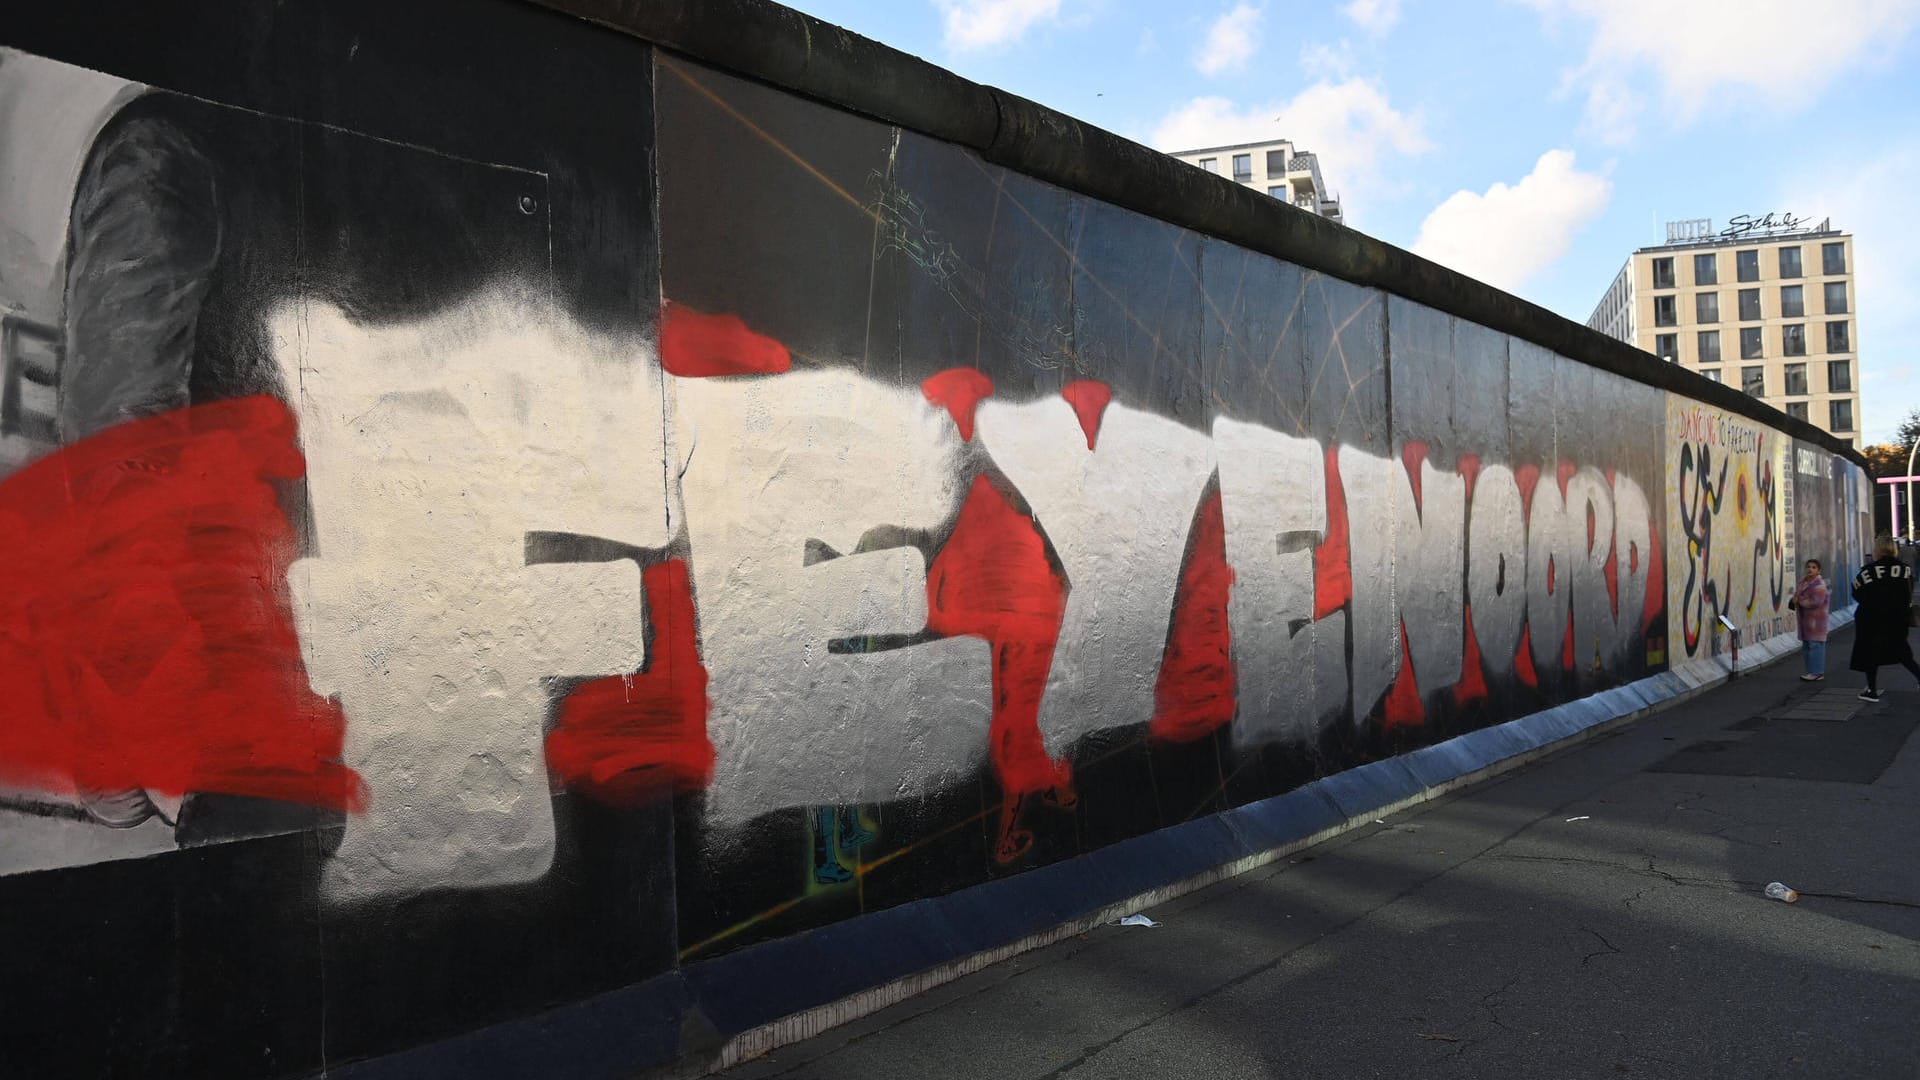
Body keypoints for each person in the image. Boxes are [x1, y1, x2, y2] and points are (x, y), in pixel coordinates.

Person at [1849, 538, 1920, 702]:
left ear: (1878, 550)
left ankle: (1871, 690)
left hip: (1871, 619)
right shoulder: (1905, 570)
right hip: (1897, 618)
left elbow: (1857, 591)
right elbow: (1908, 591)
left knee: (1870, 654)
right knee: (1902, 652)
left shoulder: (1868, 571)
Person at [1789, 559, 1829, 681]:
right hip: (1805, 621)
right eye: (1808, 567)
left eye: (1813, 567)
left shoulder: (1819, 585)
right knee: (1807, 646)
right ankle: (1812, 671)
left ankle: (1817, 672)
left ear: (1818, 570)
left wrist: (1799, 600)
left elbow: (1815, 602)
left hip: (1817, 622)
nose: (1810, 569)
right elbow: (1796, 595)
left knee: (1815, 646)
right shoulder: (1803, 583)